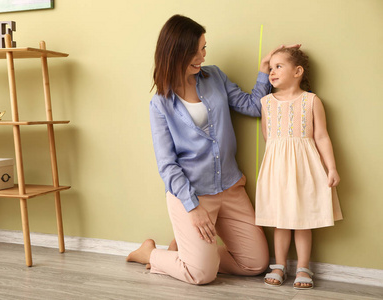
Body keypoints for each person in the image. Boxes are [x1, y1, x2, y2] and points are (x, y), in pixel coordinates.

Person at [126, 14, 298, 285]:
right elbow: (167, 164)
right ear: (174, 53)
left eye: (204, 48)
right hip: (192, 195)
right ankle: (151, 253)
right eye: (195, 51)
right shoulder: (160, 104)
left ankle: (191, 254)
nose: (202, 56)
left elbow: (253, 106)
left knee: (255, 264)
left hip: (230, 187)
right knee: (201, 274)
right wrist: (193, 208)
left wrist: (265, 68)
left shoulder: (215, 76)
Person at [255, 48, 343, 289]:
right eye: (270, 68)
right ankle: (280, 265)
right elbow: (268, 138)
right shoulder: (265, 103)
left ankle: (304, 266)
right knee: (280, 220)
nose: (272, 72)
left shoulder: (311, 101)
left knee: (304, 220)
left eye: (278, 66)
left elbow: (322, 137)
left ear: (298, 71)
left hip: (306, 168)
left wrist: (331, 168)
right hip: (277, 169)